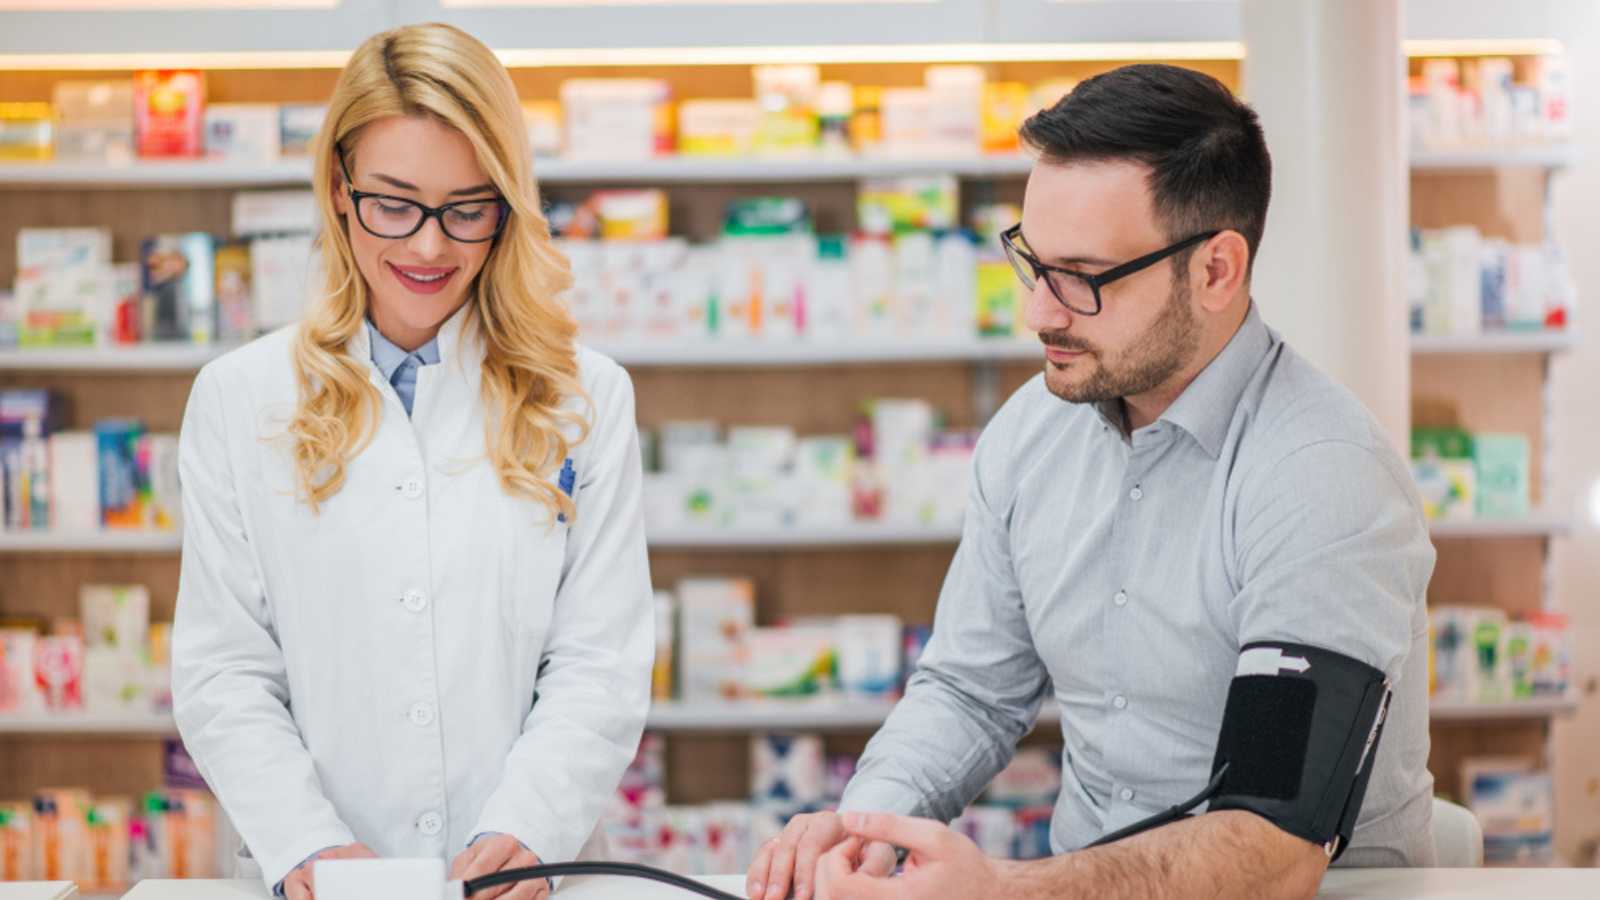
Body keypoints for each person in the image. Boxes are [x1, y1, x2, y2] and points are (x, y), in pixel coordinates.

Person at [747, 64, 1436, 900]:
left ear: (1216, 270)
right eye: (1032, 263)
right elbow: (970, 689)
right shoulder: (1033, 432)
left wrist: (1007, 891)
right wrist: (868, 829)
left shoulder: (1321, 477)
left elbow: (1275, 840)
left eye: (1084, 276)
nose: (1039, 311)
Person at [172, 23, 652, 900]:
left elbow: (600, 659)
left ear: (508, 201)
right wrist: (304, 841)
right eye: (395, 204)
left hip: (530, 879)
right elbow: (224, 669)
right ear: (338, 189)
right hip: (314, 879)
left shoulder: (585, 397)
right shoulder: (239, 398)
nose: (430, 248)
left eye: (468, 208)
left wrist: (528, 828)